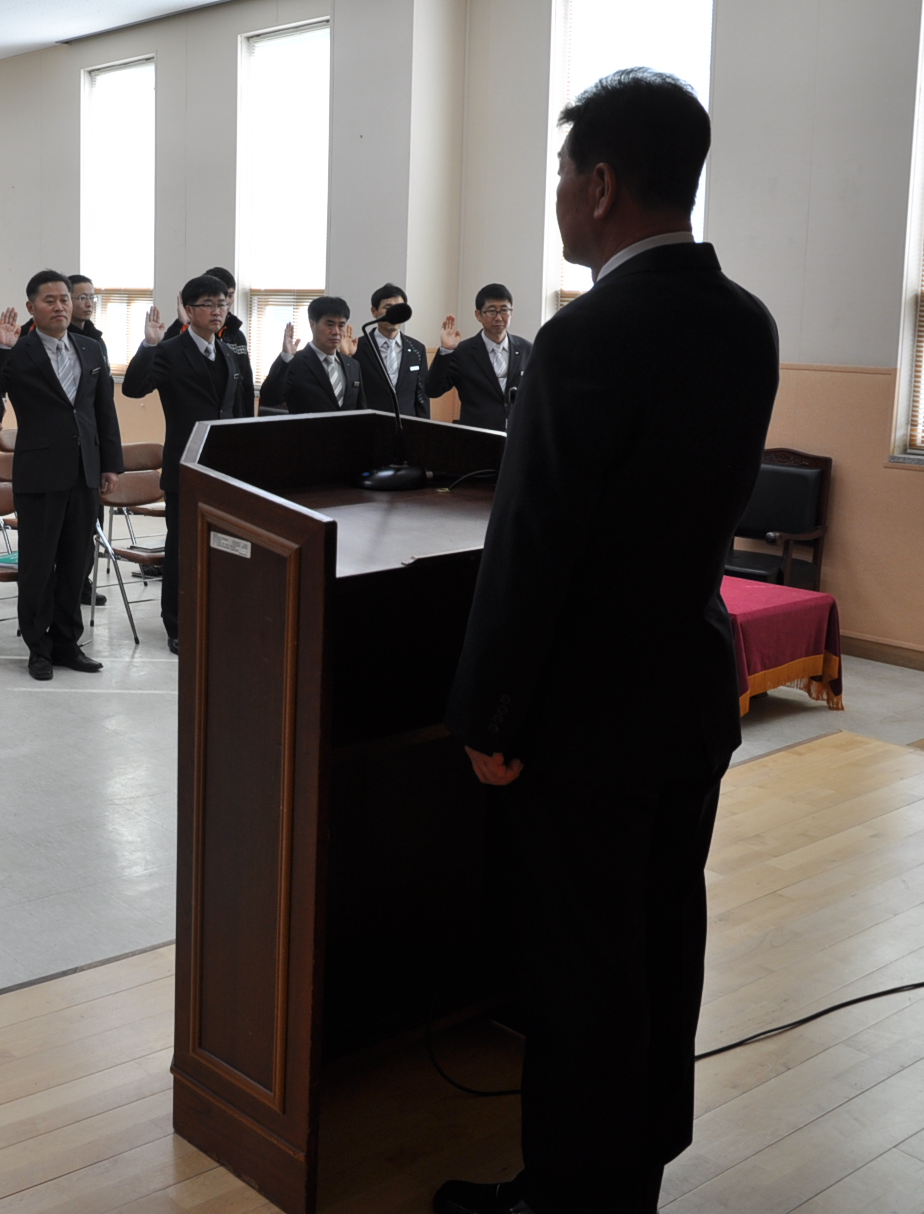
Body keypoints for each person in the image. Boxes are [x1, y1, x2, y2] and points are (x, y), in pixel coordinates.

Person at [433, 69, 779, 1214]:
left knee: (578, 964)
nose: (555, 199)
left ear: (598, 184)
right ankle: (633, 1172)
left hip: (583, 716)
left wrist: (486, 714)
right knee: (662, 938)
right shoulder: (745, 322)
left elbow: (533, 544)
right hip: (687, 688)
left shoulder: (586, 333)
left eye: (559, 175)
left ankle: (564, 1193)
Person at [0, 272, 123, 680]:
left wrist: (110, 463)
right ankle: (38, 647)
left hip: (84, 471)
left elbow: (103, 410)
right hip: (40, 474)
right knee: (39, 566)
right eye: (50, 300)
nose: (60, 306)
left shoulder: (91, 348)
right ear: (31, 308)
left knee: (77, 563)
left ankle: (67, 643)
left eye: (65, 299)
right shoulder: (18, 350)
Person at [121, 275, 253, 654]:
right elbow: (133, 388)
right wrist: (149, 344)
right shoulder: (169, 350)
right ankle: (177, 624)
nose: (217, 311)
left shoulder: (227, 351)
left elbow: (235, 411)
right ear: (189, 310)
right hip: (186, 467)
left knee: (223, 547)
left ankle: (215, 616)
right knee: (182, 551)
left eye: (222, 303)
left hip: (223, 470)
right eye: (209, 304)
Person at [428, 284, 530, 431]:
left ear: (511, 312)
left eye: (504, 310)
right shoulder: (463, 352)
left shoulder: (527, 349)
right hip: (477, 436)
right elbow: (433, 390)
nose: (499, 317)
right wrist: (446, 351)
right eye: (492, 311)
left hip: (517, 435)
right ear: (478, 315)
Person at [281, 296, 364, 415]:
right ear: (312, 324)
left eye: (341, 325)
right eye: (330, 324)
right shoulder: (295, 362)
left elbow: (361, 409)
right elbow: (270, 397)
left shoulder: (352, 365)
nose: (336, 332)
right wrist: (286, 357)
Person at [358, 284, 430, 418]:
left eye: (399, 308)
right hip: (370, 424)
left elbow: (422, 396)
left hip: (407, 424)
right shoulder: (358, 347)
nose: (394, 314)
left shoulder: (417, 349)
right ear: (374, 311)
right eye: (388, 308)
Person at [66, 274, 105, 358]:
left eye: (92, 298)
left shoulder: (96, 337)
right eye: (82, 298)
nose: (89, 304)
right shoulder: (62, 338)